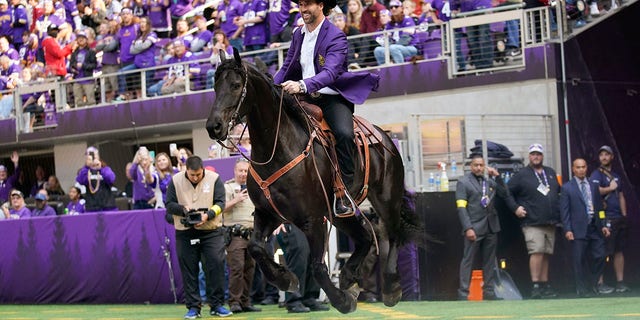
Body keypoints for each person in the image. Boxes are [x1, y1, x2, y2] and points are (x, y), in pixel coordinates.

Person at [274, 0, 379, 215]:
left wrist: (302, 84)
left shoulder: (336, 35)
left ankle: (346, 193)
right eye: (301, 4)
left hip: (331, 98)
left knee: (343, 133)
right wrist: (272, 87)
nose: (303, 9)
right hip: (303, 96)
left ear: (321, 5)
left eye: (308, 5)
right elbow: (287, 66)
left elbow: (330, 73)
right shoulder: (298, 34)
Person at [164, 155, 232, 318]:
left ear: (203, 170)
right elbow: (169, 205)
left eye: (198, 174)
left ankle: (217, 305)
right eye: (192, 175)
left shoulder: (215, 179)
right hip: (185, 232)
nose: (195, 178)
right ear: (186, 170)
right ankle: (194, 307)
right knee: (189, 269)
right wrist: (183, 210)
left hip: (211, 230)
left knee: (215, 265)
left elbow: (221, 203)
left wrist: (207, 215)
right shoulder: (175, 180)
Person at [455, 153, 518, 300]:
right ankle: (463, 293)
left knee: (489, 261)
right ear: (471, 166)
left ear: (484, 166)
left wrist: (497, 176)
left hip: (491, 226)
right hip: (474, 227)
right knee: (468, 260)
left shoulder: (488, 182)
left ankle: (489, 292)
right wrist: (467, 228)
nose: (478, 168)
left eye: (481, 165)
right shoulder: (463, 182)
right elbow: (461, 208)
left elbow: (504, 193)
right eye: (476, 165)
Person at [507, 143, 560, 299]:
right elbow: (506, 191)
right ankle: (535, 285)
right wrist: (515, 208)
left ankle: (544, 284)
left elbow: (557, 192)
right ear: (529, 157)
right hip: (532, 222)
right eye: (533, 154)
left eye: (538, 154)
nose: (536, 157)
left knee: (546, 253)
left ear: (542, 156)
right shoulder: (522, 174)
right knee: (536, 252)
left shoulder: (550, 172)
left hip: (550, 222)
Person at [560, 158, 611, 297]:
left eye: (583, 167)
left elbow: (600, 207)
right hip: (578, 228)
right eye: (578, 167)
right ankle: (581, 289)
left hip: (594, 226)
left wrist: (604, 223)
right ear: (573, 169)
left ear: (586, 168)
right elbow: (564, 211)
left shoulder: (593, 185)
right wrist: (568, 229)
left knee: (601, 255)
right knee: (579, 260)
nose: (581, 170)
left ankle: (593, 283)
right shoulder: (567, 187)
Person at [223, 158, 261, 313]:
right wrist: (236, 200)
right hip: (235, 234)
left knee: (249, 269)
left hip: (252, 233)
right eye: (241, 171)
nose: (244, 174)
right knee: (237, 268)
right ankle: (234, 302)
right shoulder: (227, 187)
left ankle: (245, 302)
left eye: (246, 171)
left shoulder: (255, 187)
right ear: (235, 171)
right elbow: (220, 208)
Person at [590, 145, 630, 293]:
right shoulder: (596, 174)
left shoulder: (617, 176)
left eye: (607, 154)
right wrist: (610, 188)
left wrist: (624, 215)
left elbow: (620, 195)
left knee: (618, 251)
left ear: (612, 156)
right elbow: (595, 191)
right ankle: (600, 283)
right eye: (601, 155)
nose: (604, 157)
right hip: (605, 218)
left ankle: (620, 282)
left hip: (618, 218)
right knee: (603, 251)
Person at [274, 223, 331, 313]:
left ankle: (309, 298)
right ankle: (293, 300)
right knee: (298, 259)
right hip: (290, 220)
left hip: (309, 220)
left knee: (313, 258)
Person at [75, 146, 117, 212]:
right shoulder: (86, 171)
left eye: (94, 155)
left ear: (98, 156)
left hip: (108, 206)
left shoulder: (105, 168)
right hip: (92, 207)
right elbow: (80, 180)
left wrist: (100, 168)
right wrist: (86, 166)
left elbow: (111, 179)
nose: (92, 157)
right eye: (89, 155)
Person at [69, 30, 97, 107]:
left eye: (82, 38)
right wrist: (74, 68)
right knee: (78, 102)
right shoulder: (74, 53)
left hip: (88, 79)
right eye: (79, 38)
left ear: (86, 39)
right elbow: (71, 65)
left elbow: (94, 65)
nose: (80, 39)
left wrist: (83, 65)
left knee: (91, 101)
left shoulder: (91, 52)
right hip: (77, 80)